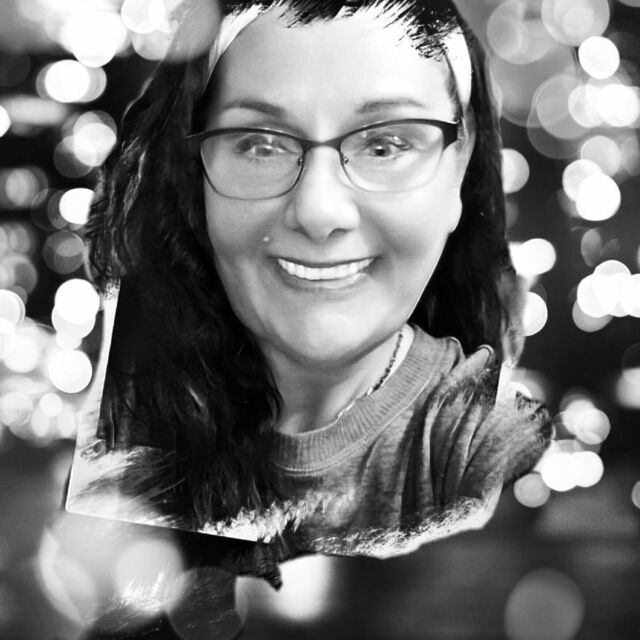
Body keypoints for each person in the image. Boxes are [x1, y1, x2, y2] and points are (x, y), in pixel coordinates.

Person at [70, 0, 552, 594]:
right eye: (259, 144)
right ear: (193, 176)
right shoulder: (127, 424)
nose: (319, 211)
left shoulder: (484, 445)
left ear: (461, 167)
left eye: (385, 145)